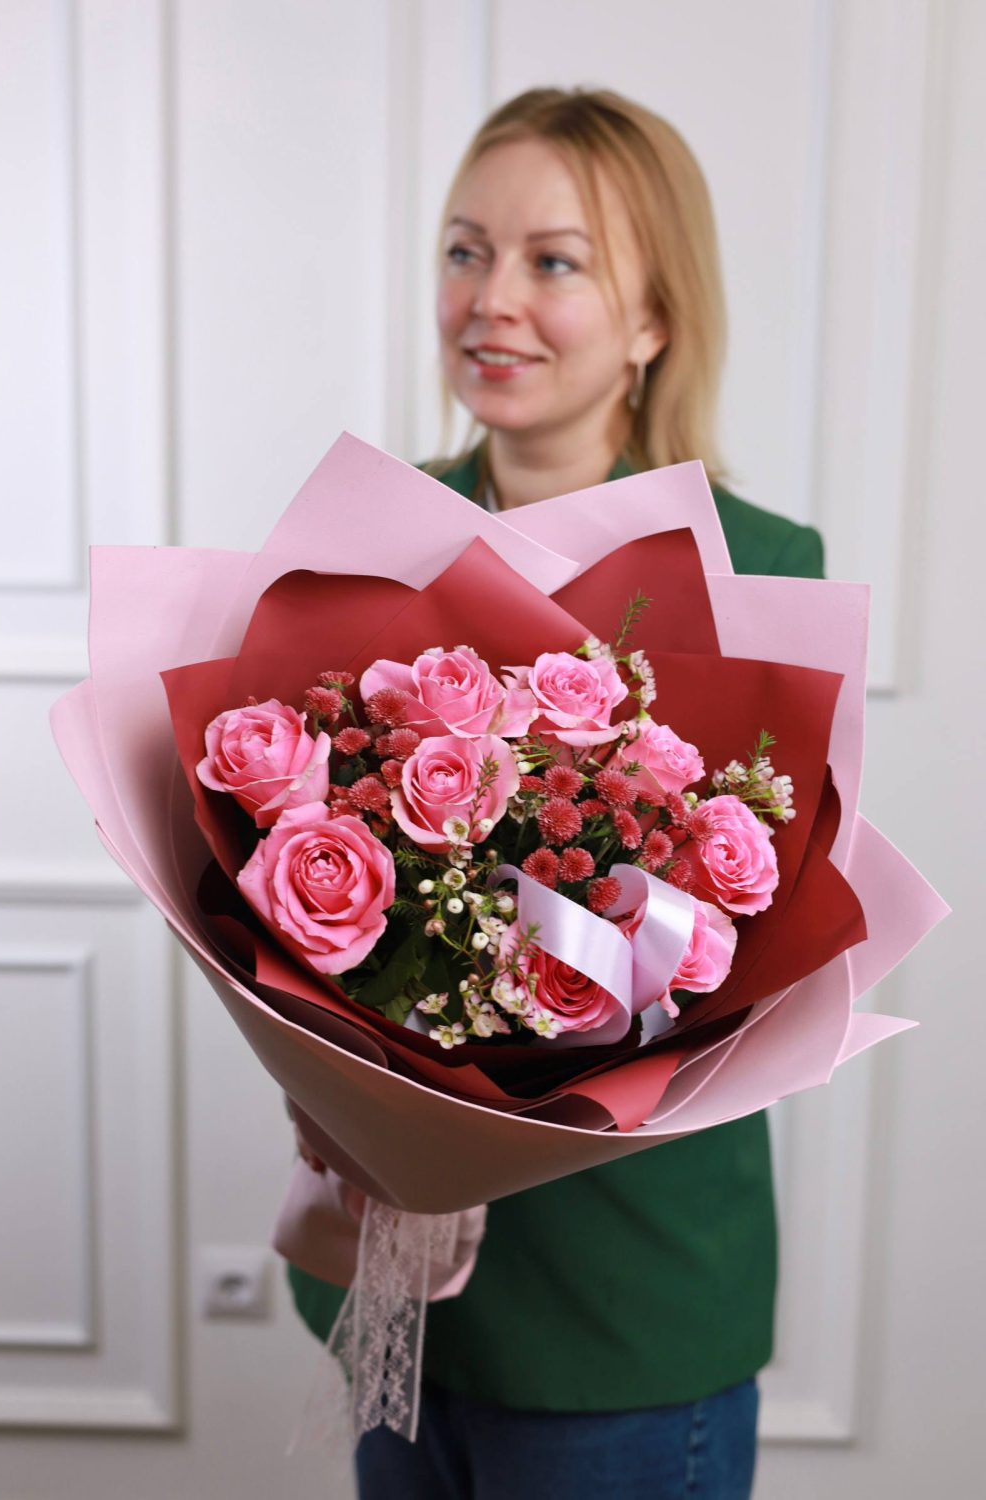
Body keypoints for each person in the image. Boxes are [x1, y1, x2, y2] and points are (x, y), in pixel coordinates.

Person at [287, 86, 823, 1500]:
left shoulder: (762, 570)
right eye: (466, 251)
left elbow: (759, 960)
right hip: (399, 1268)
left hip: (625, 1289)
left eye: (554, 261)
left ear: (653, 319)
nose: (492, 300)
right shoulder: (360, 538)